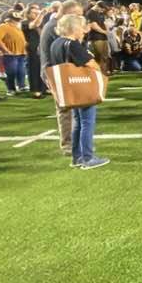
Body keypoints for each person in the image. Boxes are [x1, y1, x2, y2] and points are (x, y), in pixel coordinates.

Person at [48, 14, 109, 170]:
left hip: (69, 88)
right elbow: (92, 64)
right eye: (81, 27)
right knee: (87, 122)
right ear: (73, 28)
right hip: (81, 87)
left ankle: (77, 157)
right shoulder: (72, 44)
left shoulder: (55, 43)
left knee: (77, 123)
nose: (83, 31)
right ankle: (88, 158)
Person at [40, 0, 83, 155]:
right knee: (65, 109)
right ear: (69, 14)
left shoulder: (55, 25)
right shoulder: (55, 27)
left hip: (60, 71)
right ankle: (68, 145)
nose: (80, 20)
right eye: (78, 16)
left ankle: (73, 142)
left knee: (71, 109)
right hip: (55, 72)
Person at [0, 13, 28, 95]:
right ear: (9, 19)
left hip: (20, 52)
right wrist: (5, 48)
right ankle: (11, 89)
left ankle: (21, 86)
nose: (17, 21)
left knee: (21, 71)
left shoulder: (16, 27)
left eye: (18, 19)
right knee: (11, 72)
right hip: (10, 53)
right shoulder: (3, 26)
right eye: (15, 19)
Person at [24, 6, 48, 97]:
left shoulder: (41, 23)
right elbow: (34, 25)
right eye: (34, 13)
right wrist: (41, 14)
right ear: (28, 14)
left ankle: (43, 88)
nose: (36, 14)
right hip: (32, 49)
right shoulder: (25, 23)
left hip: (41, 48)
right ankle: (35, 90)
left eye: (37, 13)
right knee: (34, 69)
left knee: (42, 68)